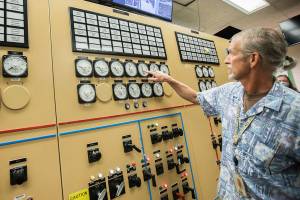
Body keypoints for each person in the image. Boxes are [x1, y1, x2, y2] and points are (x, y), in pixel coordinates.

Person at [147, 27, 300, 199]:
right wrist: (168, 79)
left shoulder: (294, 111)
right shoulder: (229, 93)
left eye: (231, 53)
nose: (226, 60)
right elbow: (196, 97)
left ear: (253, 59)